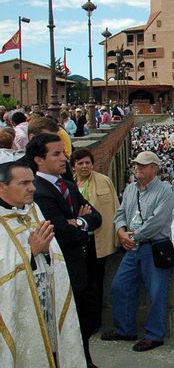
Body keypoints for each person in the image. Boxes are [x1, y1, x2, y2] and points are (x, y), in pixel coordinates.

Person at [0, 157, 87, 367]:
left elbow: (53, 252)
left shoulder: (33, 209)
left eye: (32, 181)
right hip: (15, 310)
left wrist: (46, 251)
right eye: (24, 183)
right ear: (2, 187)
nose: (32, 188)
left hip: (45, 301)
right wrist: (31, 253)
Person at [27, 133, 102, 367]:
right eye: (56, 154)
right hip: (62, 270)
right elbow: (62, 233)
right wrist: (81, 225)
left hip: (82, 266)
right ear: (39, 160)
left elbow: (97, 217)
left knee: (87, 319)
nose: (64, 158)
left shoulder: (68, 185)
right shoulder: (38, 191)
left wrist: (77, 222)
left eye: (64, 153)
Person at [102, 151, 174, 352]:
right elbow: (120, 213)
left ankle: (154, 335)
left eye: (142, 165)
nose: (137, 168)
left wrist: (133, 237)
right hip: (133, 246)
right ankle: (125, 329)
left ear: (154, 168)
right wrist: (121, 231)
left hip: (153, 246)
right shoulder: (130, 189)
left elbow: (157, 222)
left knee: (156, 293)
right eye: (136, 165)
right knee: (120, 286)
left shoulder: (164, 191)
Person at [71, 148, 120, 324]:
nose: (84, 166)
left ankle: (94, 319)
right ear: (74, 166)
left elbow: (115, 207)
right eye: (80, 163)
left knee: (95, 279)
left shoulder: (103, 181)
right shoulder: (69, 184)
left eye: (87, 163)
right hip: (77, 240)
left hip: (97, 239)